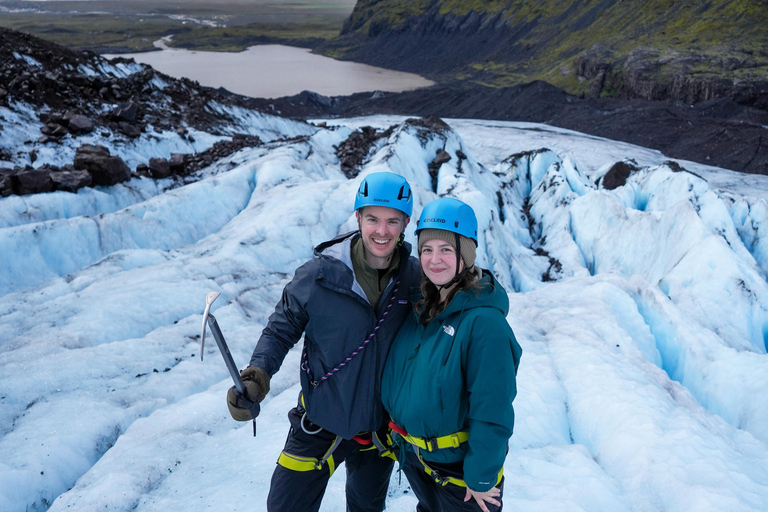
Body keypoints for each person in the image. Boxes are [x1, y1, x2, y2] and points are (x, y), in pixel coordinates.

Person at [226, 172, 421, 512]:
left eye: (392, 221)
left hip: (380, 431)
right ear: (358, 217)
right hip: (319, 421)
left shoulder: (415, 279)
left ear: (405, 223)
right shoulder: (320, 274)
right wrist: (256, 376)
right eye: (372, 218)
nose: (382, 231)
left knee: (366, 507)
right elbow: (281, 328)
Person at [381, 197, 522, 512]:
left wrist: (482, 477)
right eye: (427, 250)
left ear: (467, 255)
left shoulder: (484, 324)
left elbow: (493, 408)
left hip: (461, 479)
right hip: (419, 462)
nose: (434, 260)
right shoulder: (423, 307)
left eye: (447, 249)